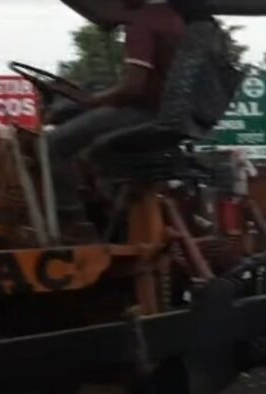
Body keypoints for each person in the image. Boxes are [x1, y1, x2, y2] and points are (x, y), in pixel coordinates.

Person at [47, 0, 186, 235]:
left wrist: (94, 100)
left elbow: (134, 86)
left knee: (53, 143)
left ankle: (71, 221)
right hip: (167, 112)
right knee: (85, 137)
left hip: (145, 113)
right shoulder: (173, 19)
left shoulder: (143, 24)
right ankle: (106, 207)